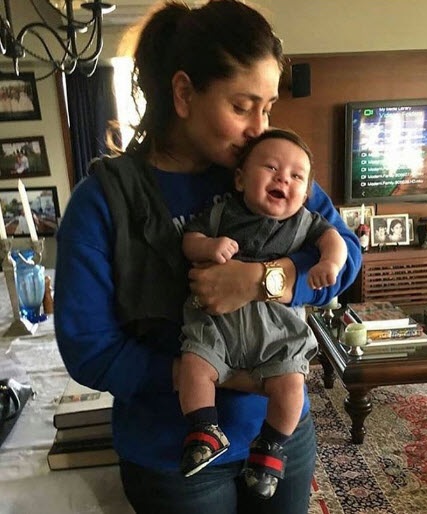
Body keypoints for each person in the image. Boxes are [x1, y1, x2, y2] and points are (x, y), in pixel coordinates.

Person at [54, 2, 362, 514]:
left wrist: (269, 279)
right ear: (183, 93)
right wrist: (211, 374)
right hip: (171, 454)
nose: (259, 128)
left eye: (268, 108)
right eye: (242, 107)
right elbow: (89, 348)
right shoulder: (104, 200)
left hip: (279, 437)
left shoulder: (269, 169)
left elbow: (345, 254)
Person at [179, 129, 347, 498]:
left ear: (306, 194)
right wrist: (208, 246)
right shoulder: (222, 212)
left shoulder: (307, 222)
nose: (283, 178)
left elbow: (337, 241)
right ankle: (204, 429)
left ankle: (270, 445)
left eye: (296, 176)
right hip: (217, 326)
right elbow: (190, 240)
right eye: (271, 168)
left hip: (278, 332)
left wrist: (330, 264)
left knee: (292, 385)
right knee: (193, 365)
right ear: (240, 179)